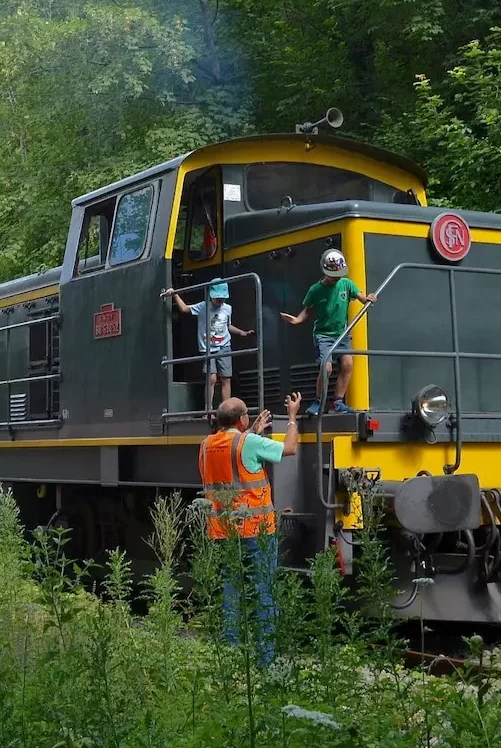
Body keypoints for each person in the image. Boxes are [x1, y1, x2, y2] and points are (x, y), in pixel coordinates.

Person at [200, 392, 303, 669]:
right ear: (242, 419)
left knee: (231, 593)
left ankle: (233, 658)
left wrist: (252, 434)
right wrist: (292, 418)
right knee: (263, 592)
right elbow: (289, 449)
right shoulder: (248, 442)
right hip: (256, 532)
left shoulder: (207, 445)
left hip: (223, 532)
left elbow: (233, 465)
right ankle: (266, 661)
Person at [281, 249, 377, 415]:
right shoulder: (315, 290)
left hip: (342, 334)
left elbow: (362, 298)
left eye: (339, 274)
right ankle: (319, 401)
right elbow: (307, 310)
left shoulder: (346, 284)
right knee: (326, 368)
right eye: (334, 274)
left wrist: (370, 298)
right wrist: (297, 320)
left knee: (348, 365)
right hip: (323, 335)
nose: (337, 277)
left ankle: (338, 402)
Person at [162, 279, 254, 408]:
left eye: (222, 298)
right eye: (217, 298)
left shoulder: (227, 308)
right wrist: (175, 294)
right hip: (208, 348)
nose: (220, 301)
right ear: (211, 295)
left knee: (226, 379)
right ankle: (208, 409)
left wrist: (241, 333)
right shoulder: (203, 306)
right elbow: (184, 309)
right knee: (211, 379)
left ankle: (226, 409)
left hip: (224, 346)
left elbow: (228, 326)